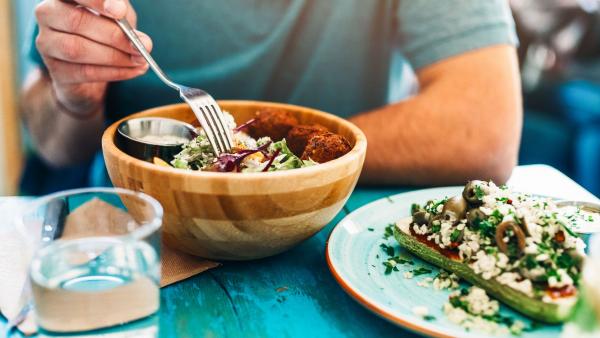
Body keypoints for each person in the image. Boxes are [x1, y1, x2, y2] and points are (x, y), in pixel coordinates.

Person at [21, 0, 522, 189]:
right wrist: (75, 97)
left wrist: (270, 163)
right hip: (136, 234)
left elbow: (484, 131)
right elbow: (52, 141)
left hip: (337, 230)